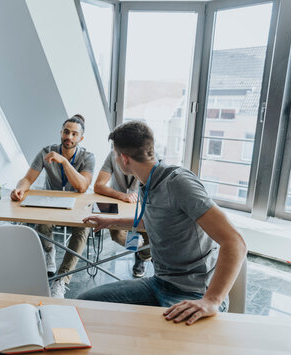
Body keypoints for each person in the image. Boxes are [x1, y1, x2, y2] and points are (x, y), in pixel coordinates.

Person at [79, 121, 246, 325]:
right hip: (160, 283)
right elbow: (156, 221)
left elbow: (235, 242)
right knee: (83, 304)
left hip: (193, 292)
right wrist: (112, 221)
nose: (115, 159)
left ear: (124, 158)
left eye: (115, 155)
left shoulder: (179, 183)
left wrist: (211, 300)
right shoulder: (146, 182)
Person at [10, 115, 95, 298]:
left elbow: (82, 186)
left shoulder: (88, 157)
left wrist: (64, 162)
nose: (69, 137)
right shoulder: (46, 152)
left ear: (81, 138)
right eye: (66, 132)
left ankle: (62, 280)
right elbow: (28, 179)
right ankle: (50, 251)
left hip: (77, 206)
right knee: (42, 225)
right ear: (60, 132)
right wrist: (19, 189)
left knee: (83, 230)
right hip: (51, 203)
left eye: (74, 134)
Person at [94, 150, 151, 277]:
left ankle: (141, 257)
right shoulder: (113, 154)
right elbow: (98, 185)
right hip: (118, 203)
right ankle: (139, 249)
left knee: (152, 238)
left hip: (142, 205)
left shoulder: (147, 155)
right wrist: (122, 196)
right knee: (117, 236)